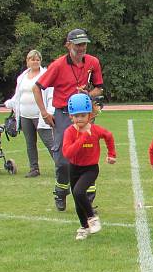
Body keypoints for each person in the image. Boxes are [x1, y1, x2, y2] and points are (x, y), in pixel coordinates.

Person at [33, 28, 104, 211]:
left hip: (86, 115)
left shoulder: (93, 62)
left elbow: (99, 89)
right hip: (64, 115)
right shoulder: (58, 65)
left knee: (87, 155)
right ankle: (61, 191)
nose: (81, 48)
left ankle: (87, 200)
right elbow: (37, 87)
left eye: (84, 44)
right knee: (64, 159)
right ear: (68, 45)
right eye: (78, 44)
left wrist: (88, 93)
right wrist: (44, 113)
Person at [61, 93, 116, 240]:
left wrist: (112, 154)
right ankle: (83, 227)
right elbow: (67, 152)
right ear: (71, 117)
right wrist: (83, 137)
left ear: (89, 115)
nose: (80, 119)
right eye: (76, 116)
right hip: (74, 168)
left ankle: (92, 217)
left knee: (79, 192)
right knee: (77, 198)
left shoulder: (96, 130)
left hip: (90, 168)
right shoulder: (69, 132)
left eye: (83, 116)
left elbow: (108, 135)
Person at [5, 49, 54, 177]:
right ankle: (34, 169)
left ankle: (61, 167)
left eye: (37, 59)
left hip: (40, 115)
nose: (35, 61)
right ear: (27, 61)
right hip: (25, 115)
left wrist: (49, 111)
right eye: (32, 59)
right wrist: (11, 103)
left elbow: (50, 94)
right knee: (30, 143)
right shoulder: (22, 77)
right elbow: (18, 94)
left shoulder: (45, 75)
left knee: (50, 142)